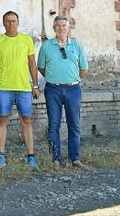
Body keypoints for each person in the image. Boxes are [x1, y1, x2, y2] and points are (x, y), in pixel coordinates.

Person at [0, 11, 41, 169]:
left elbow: (32, 63)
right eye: (8, 21)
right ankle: (1, 156)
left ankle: (31, 157)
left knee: (26, 120)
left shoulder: (26, 40)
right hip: (4, 88)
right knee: (2, 119)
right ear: (3, 23)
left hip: (24, 88)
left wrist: (35, 86)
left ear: (18, 22)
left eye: (13, 21)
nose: (11, 24)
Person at [38, 15, 89, 169]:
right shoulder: (46, 46)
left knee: (74, 124)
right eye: (58, 26)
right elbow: (41, 67)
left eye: (64, 25)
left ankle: (75, 159)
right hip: (53, 89)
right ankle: (56, 159)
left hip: (73, 89)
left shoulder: (77, 46)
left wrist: (71, 79)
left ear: (69, 28)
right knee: (54, 125)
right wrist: (55, 77)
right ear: (54, 28)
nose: (61, 28)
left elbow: (84, 69)